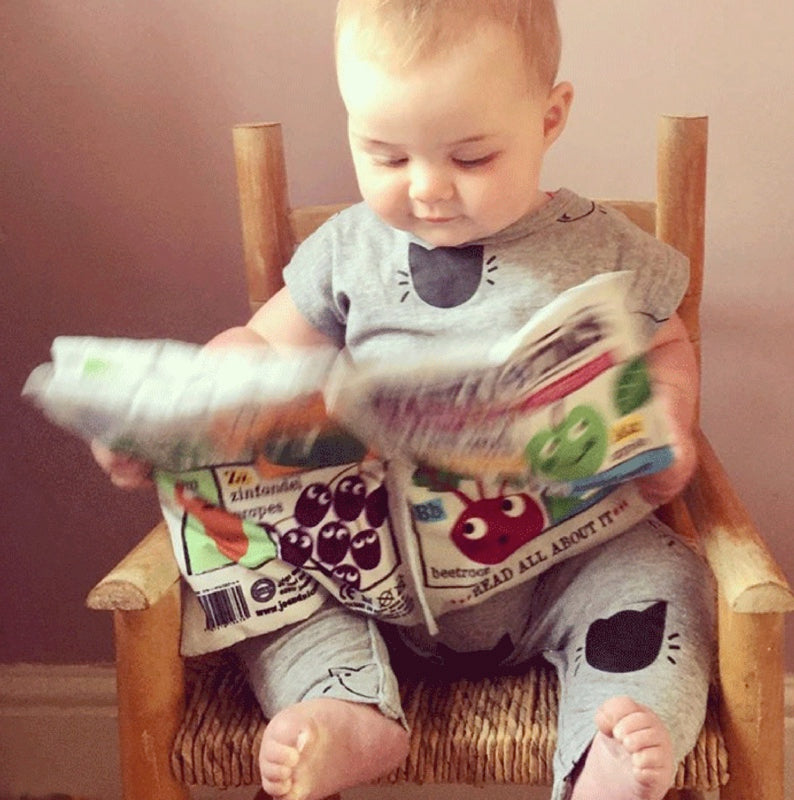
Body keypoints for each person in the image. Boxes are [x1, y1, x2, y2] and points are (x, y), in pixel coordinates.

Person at [94, 2, 715, 799]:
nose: (427, 189)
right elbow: (257, 352)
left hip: (564, 568)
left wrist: (667, 425)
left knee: (666, 579)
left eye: (472, 156)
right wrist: (169, 419)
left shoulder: (601, 248)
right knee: (265, 590)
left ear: (550, 117)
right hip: (374, 584)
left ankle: (612, 748)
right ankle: (343, 707)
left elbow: (664, 347)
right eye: (385, 155)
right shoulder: (348, 252)